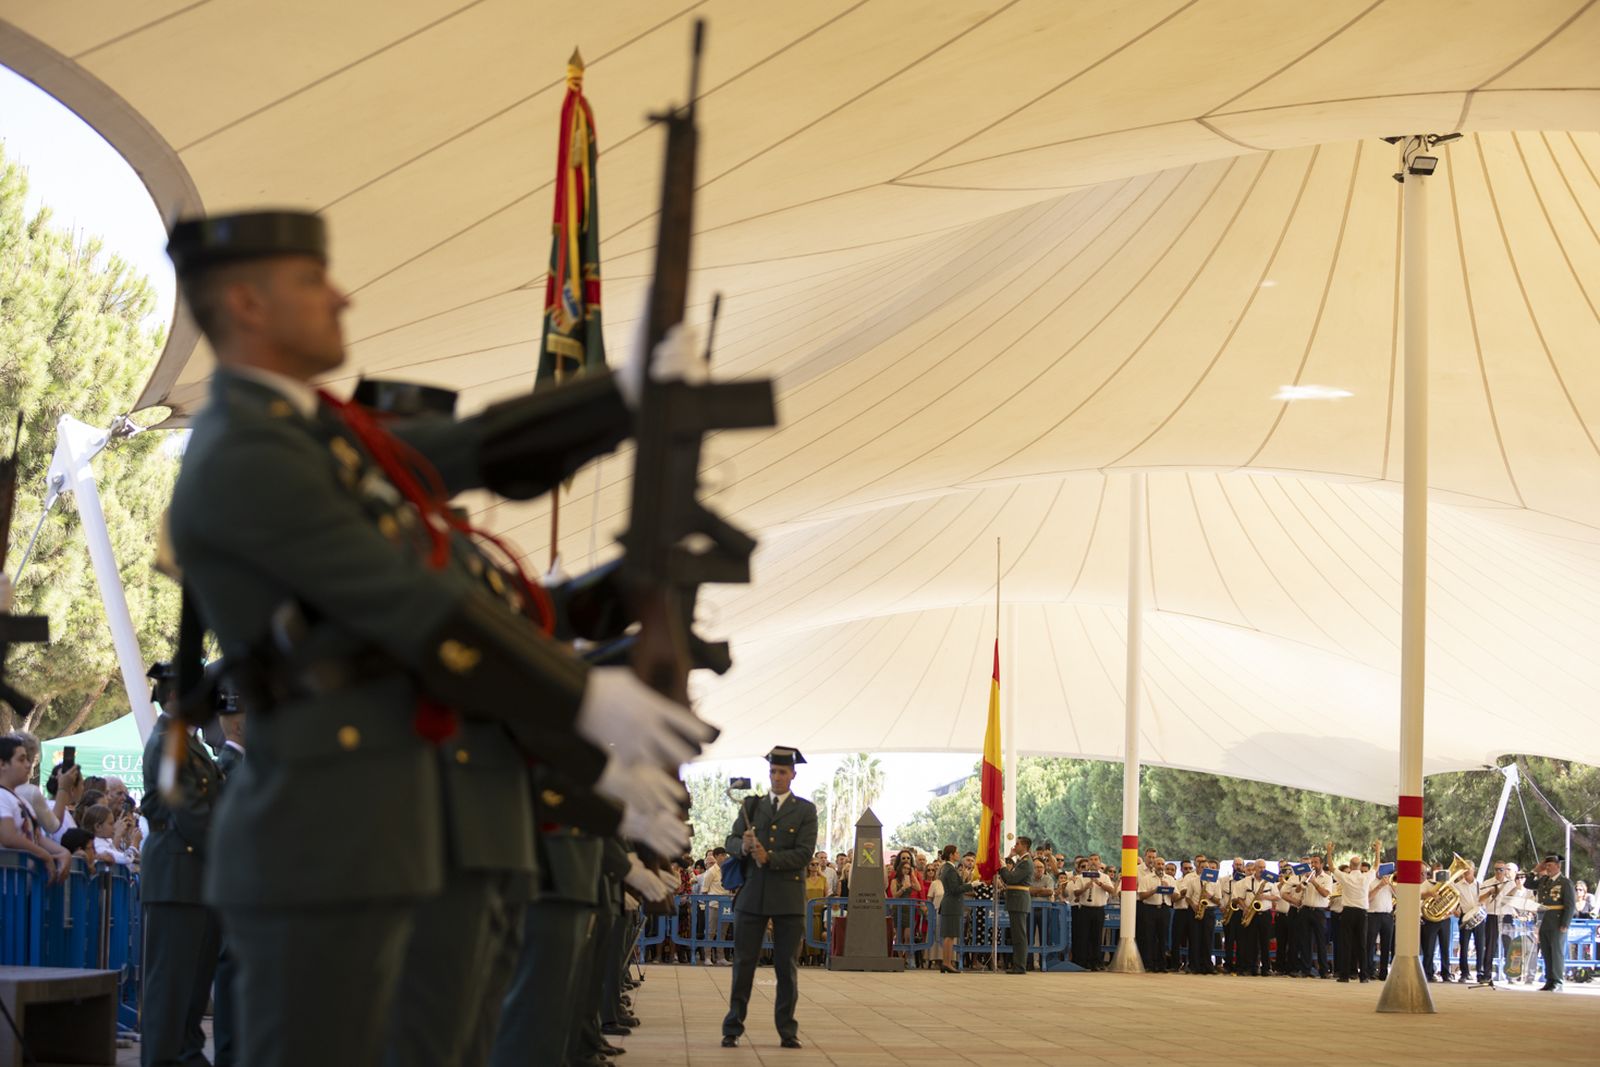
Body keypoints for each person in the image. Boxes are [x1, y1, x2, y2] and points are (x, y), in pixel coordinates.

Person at [162, 209, 711, 1066]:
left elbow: (476, 445)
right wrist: (583, 700)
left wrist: (624, 395)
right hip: (324, 833)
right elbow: (411, 606)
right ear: (247, 303)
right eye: (311, 280)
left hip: (381, 822)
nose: (340, 296)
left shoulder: (314, 434)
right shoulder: (248, 453)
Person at [139, 701, 226, 1067]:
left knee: (192, 985)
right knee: (170, 986)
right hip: (177, 873)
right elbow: (189, 812)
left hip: (194, 874)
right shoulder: (167, 740)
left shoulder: (189, 742)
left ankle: (185, 1055)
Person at [721, 747, 818, 1049]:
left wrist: (770, 857)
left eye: (782, 772)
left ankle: (787, 1030)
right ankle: (733, 1027)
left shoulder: (805, 811)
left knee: (786, 967)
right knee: (743, 964)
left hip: (788, 897)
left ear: (793, 775)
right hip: (753, 895)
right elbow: (730, 840)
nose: (777, 777)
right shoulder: (753, 805)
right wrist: (743, 846)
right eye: (773, 771)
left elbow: (805, 853)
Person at [0, 734, 72, 882]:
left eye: (28, 759)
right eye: (21, 760)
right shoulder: (1, 796)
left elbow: (38, 837)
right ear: (2, 764)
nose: (28, 765)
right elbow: (8, 837)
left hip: (22, 886)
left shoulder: (20, 800)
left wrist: (63, 852)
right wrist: (44, 855)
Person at [1526, 854, 1574, 991]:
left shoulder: (1565, 882)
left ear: (1558, 866)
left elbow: (1570, 905)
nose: (1547, 868)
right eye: (1546, 865)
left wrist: (1565, 923)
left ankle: (1557, 980)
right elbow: (1527, 884)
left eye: (1550, 865)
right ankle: (1549, 980)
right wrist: (1535, 871)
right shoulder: (1544, 880)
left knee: (1556, 952)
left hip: (1557, 920)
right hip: (1544, 919)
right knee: (1546, 951)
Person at [999, 836, 1035, 975]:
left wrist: (1003, 866)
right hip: (1016, 900)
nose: (1015, 846)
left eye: (1017, 844)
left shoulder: (1026, 862)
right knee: (1016, 934)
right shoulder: (1021, 861)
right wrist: (1009, 858)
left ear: (1025, 846)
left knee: (1019, 935)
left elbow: (1011, 878)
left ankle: (1020, 966)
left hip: (1019, 900)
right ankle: (1018, 964)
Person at [934, 844, 968, 974]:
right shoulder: (950, 869)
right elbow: (955, 889)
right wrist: (971, 885)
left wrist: (963, 879)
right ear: (951, 855)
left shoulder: (948, 868)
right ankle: (947, 963)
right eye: (956, 853)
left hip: (950, 904)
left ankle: (947, 962)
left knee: (950, 935)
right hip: (952, 904)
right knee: (949, 935)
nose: (958, 855)